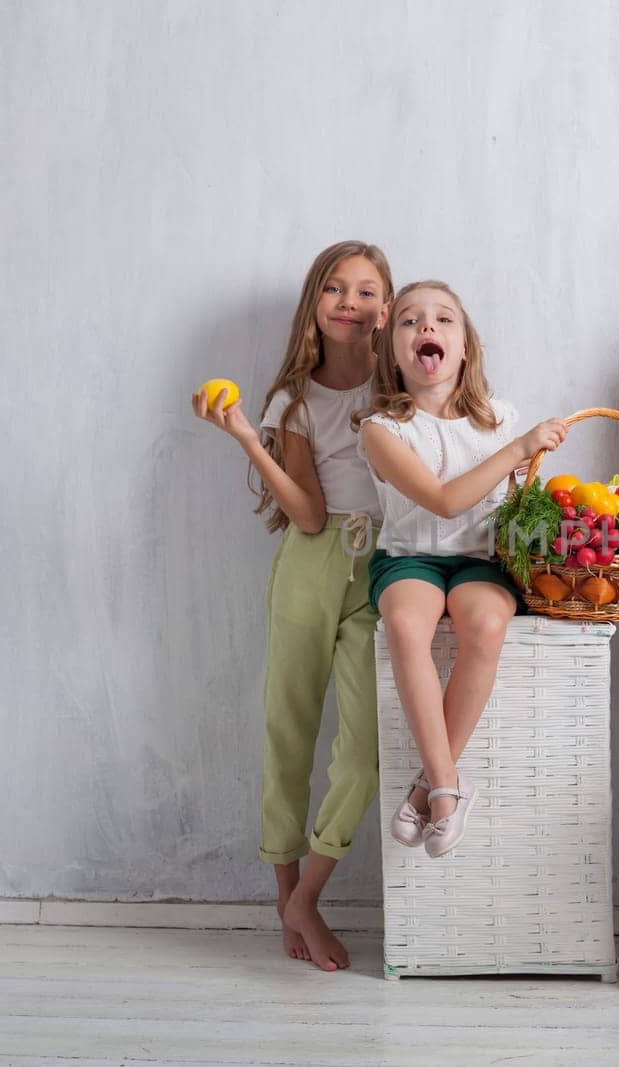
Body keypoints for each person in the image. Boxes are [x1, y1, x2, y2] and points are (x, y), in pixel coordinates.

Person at [191, 240, 393, 971]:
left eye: (367, 290)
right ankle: (288, 906)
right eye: (335, 288)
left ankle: (309, 892)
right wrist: (251, 434)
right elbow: (308, 515)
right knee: (289, 730)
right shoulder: (295, 401)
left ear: (388, 307)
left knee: (364, 747)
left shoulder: (398, 386)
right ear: (316, 303)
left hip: (384, 570)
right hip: (313, 564)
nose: (350, 301)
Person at [355, 280, 567, 858]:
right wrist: (520, 449)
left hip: (480, 560)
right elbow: (444, 501)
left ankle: (427, 784)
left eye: (443, 320)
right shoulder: (380, 429)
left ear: (464, 347)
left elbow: (517, 507)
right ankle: (449, 786)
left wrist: (525, 466)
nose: (427, 328)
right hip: (409, 558)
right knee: (404, 625)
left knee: (486, 626)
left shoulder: (498, 418)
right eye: (409, 322)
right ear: (392, 353)